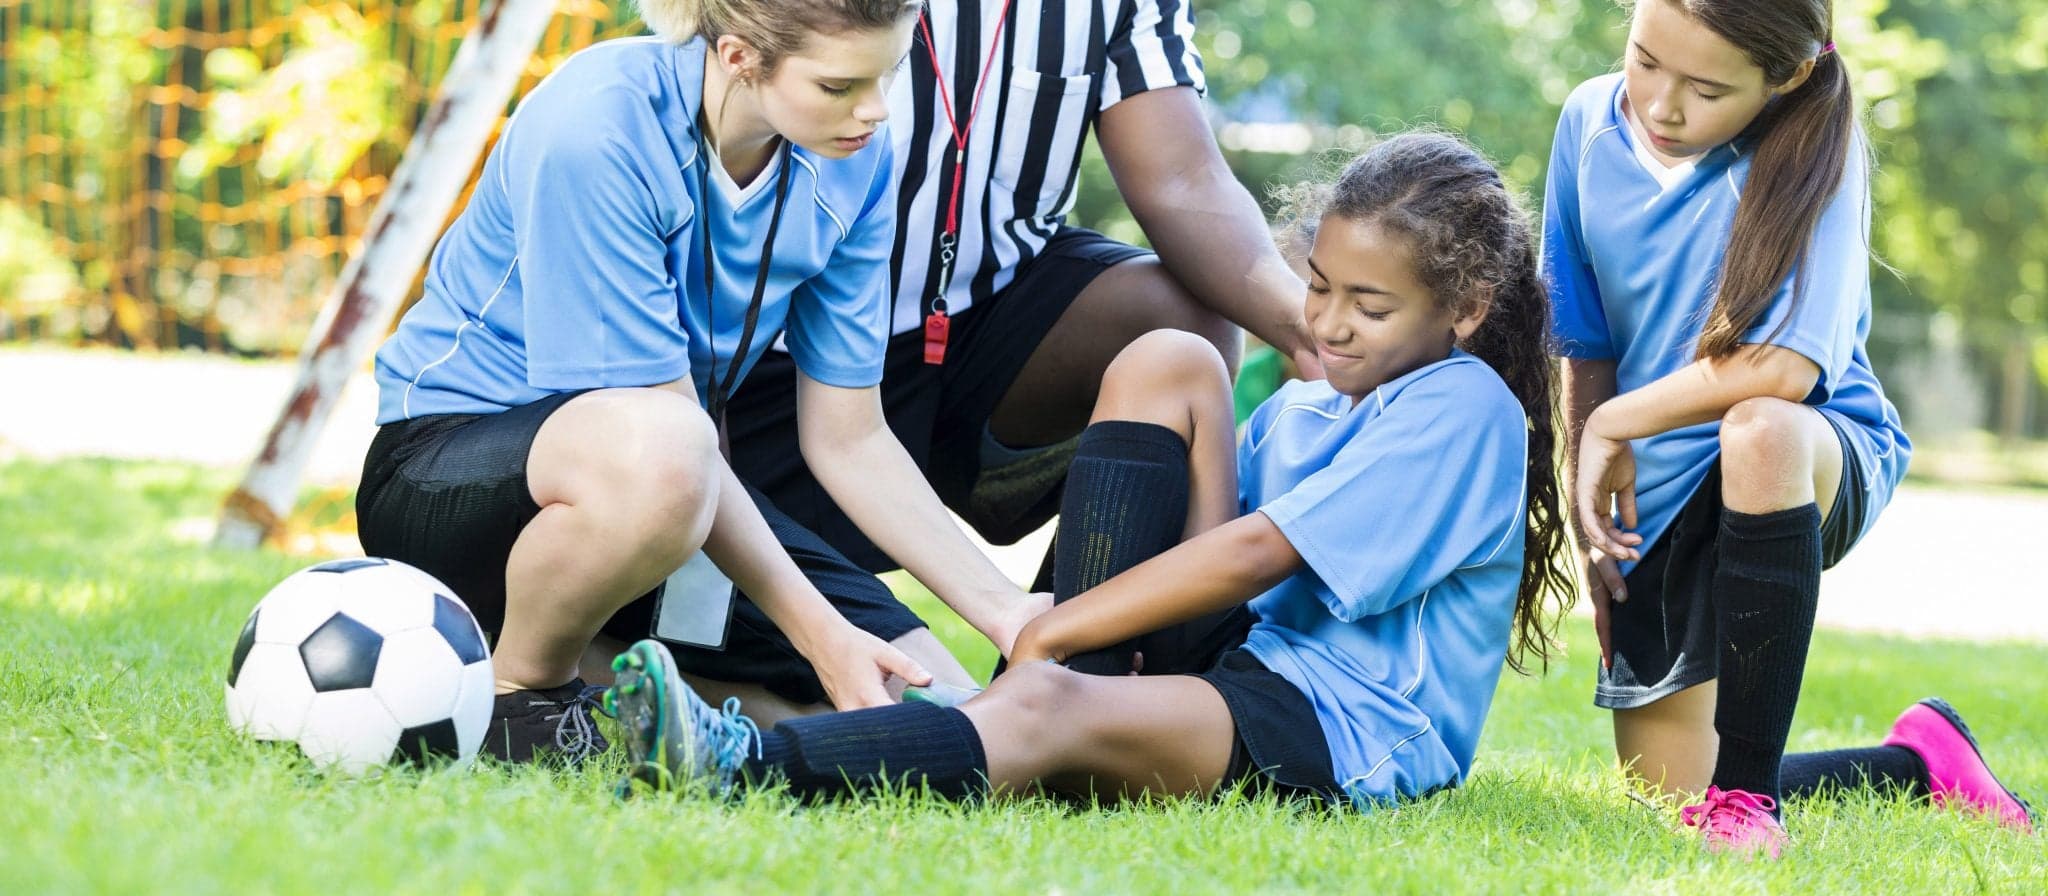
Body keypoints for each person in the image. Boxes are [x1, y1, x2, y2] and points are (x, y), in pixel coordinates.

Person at [606, 132, 1577, 812]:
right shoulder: (1304, 406)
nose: (1323, 324)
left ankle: (738, 761)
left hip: (1337, 723)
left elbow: (1251, 553)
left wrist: (1049, 628)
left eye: (1367, 306)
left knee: (1042, 699)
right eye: (1317, 287)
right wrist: (1067, 633)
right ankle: (1073, 690)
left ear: (1461, 308)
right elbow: (1199, 540)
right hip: (1243, 660)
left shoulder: (1462, 407)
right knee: (1176, 358)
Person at [356, 0, 1051, 763]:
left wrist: (1007, 612)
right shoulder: (596, 127)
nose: (875, 111)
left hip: (669, 493)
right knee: (673, 451)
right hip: (445, 476)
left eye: (887, 75)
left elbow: (849, 438)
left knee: (938, 702)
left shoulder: (857, 161)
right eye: (839, 86)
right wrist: (820, 637)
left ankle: (605, 674)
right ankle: (522, 693)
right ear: (737, 57)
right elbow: (659, 438)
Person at [706, 0, 1326, 716]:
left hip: (986, 331)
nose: (870, 111)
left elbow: (1183, 178)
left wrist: (1314, 330)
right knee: (733, 628)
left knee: (1183, 323)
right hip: (774, 362)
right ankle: (1003, 711)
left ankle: (1100, 674)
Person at [1544, 0, 2033, 856]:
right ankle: (1916, 764)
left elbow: (1786, 370)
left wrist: (1619, 421)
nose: (1661, 104)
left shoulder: (1817, 149)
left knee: (1759, 427)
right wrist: (1598, 536)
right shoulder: (1587, 121)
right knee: (1662, 793)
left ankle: (1748, 804)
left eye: (1705, 88)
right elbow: (1585, 344)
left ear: (1787, 77)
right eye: (1645, 58)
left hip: (1810, 452)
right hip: (1661, 475)